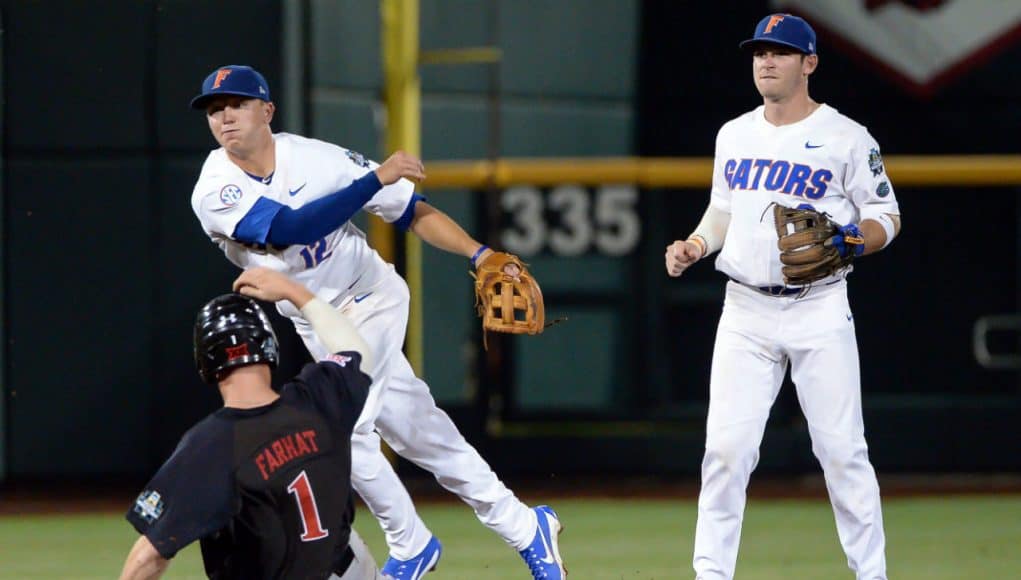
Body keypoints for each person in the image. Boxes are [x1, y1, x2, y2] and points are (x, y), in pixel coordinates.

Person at [187, 64, 566, 579]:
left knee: (345, 428)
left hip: (371, 300)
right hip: (315, 321)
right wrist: (373, 180)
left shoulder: (318, 161)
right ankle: (525, 526)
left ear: (267, 111)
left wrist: (479, 253)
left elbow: (413, 210)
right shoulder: (214, 187)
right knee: (421, 433)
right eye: (214, 109)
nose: (224, 117)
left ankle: (410, 545)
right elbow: (290, 229)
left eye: (236, 104)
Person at [664, 14, 901, 580]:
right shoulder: (733, 134)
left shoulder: (847, 137)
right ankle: (711, 574)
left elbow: (886, 216)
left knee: (843, 454)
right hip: (745, 310)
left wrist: (851, 241)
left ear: (809, 63)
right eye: (759, 53)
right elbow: (723, 210)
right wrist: (697, 243)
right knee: (725, 451)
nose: (766, 62)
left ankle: (872, 575)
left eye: (780, 53)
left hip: (818, 307)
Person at [120, 267, 381, 579]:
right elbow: (358, 352)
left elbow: (149, 557)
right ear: (269, 346)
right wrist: (294, 292)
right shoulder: (318, 398)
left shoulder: (211, 445)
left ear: (207, 362)